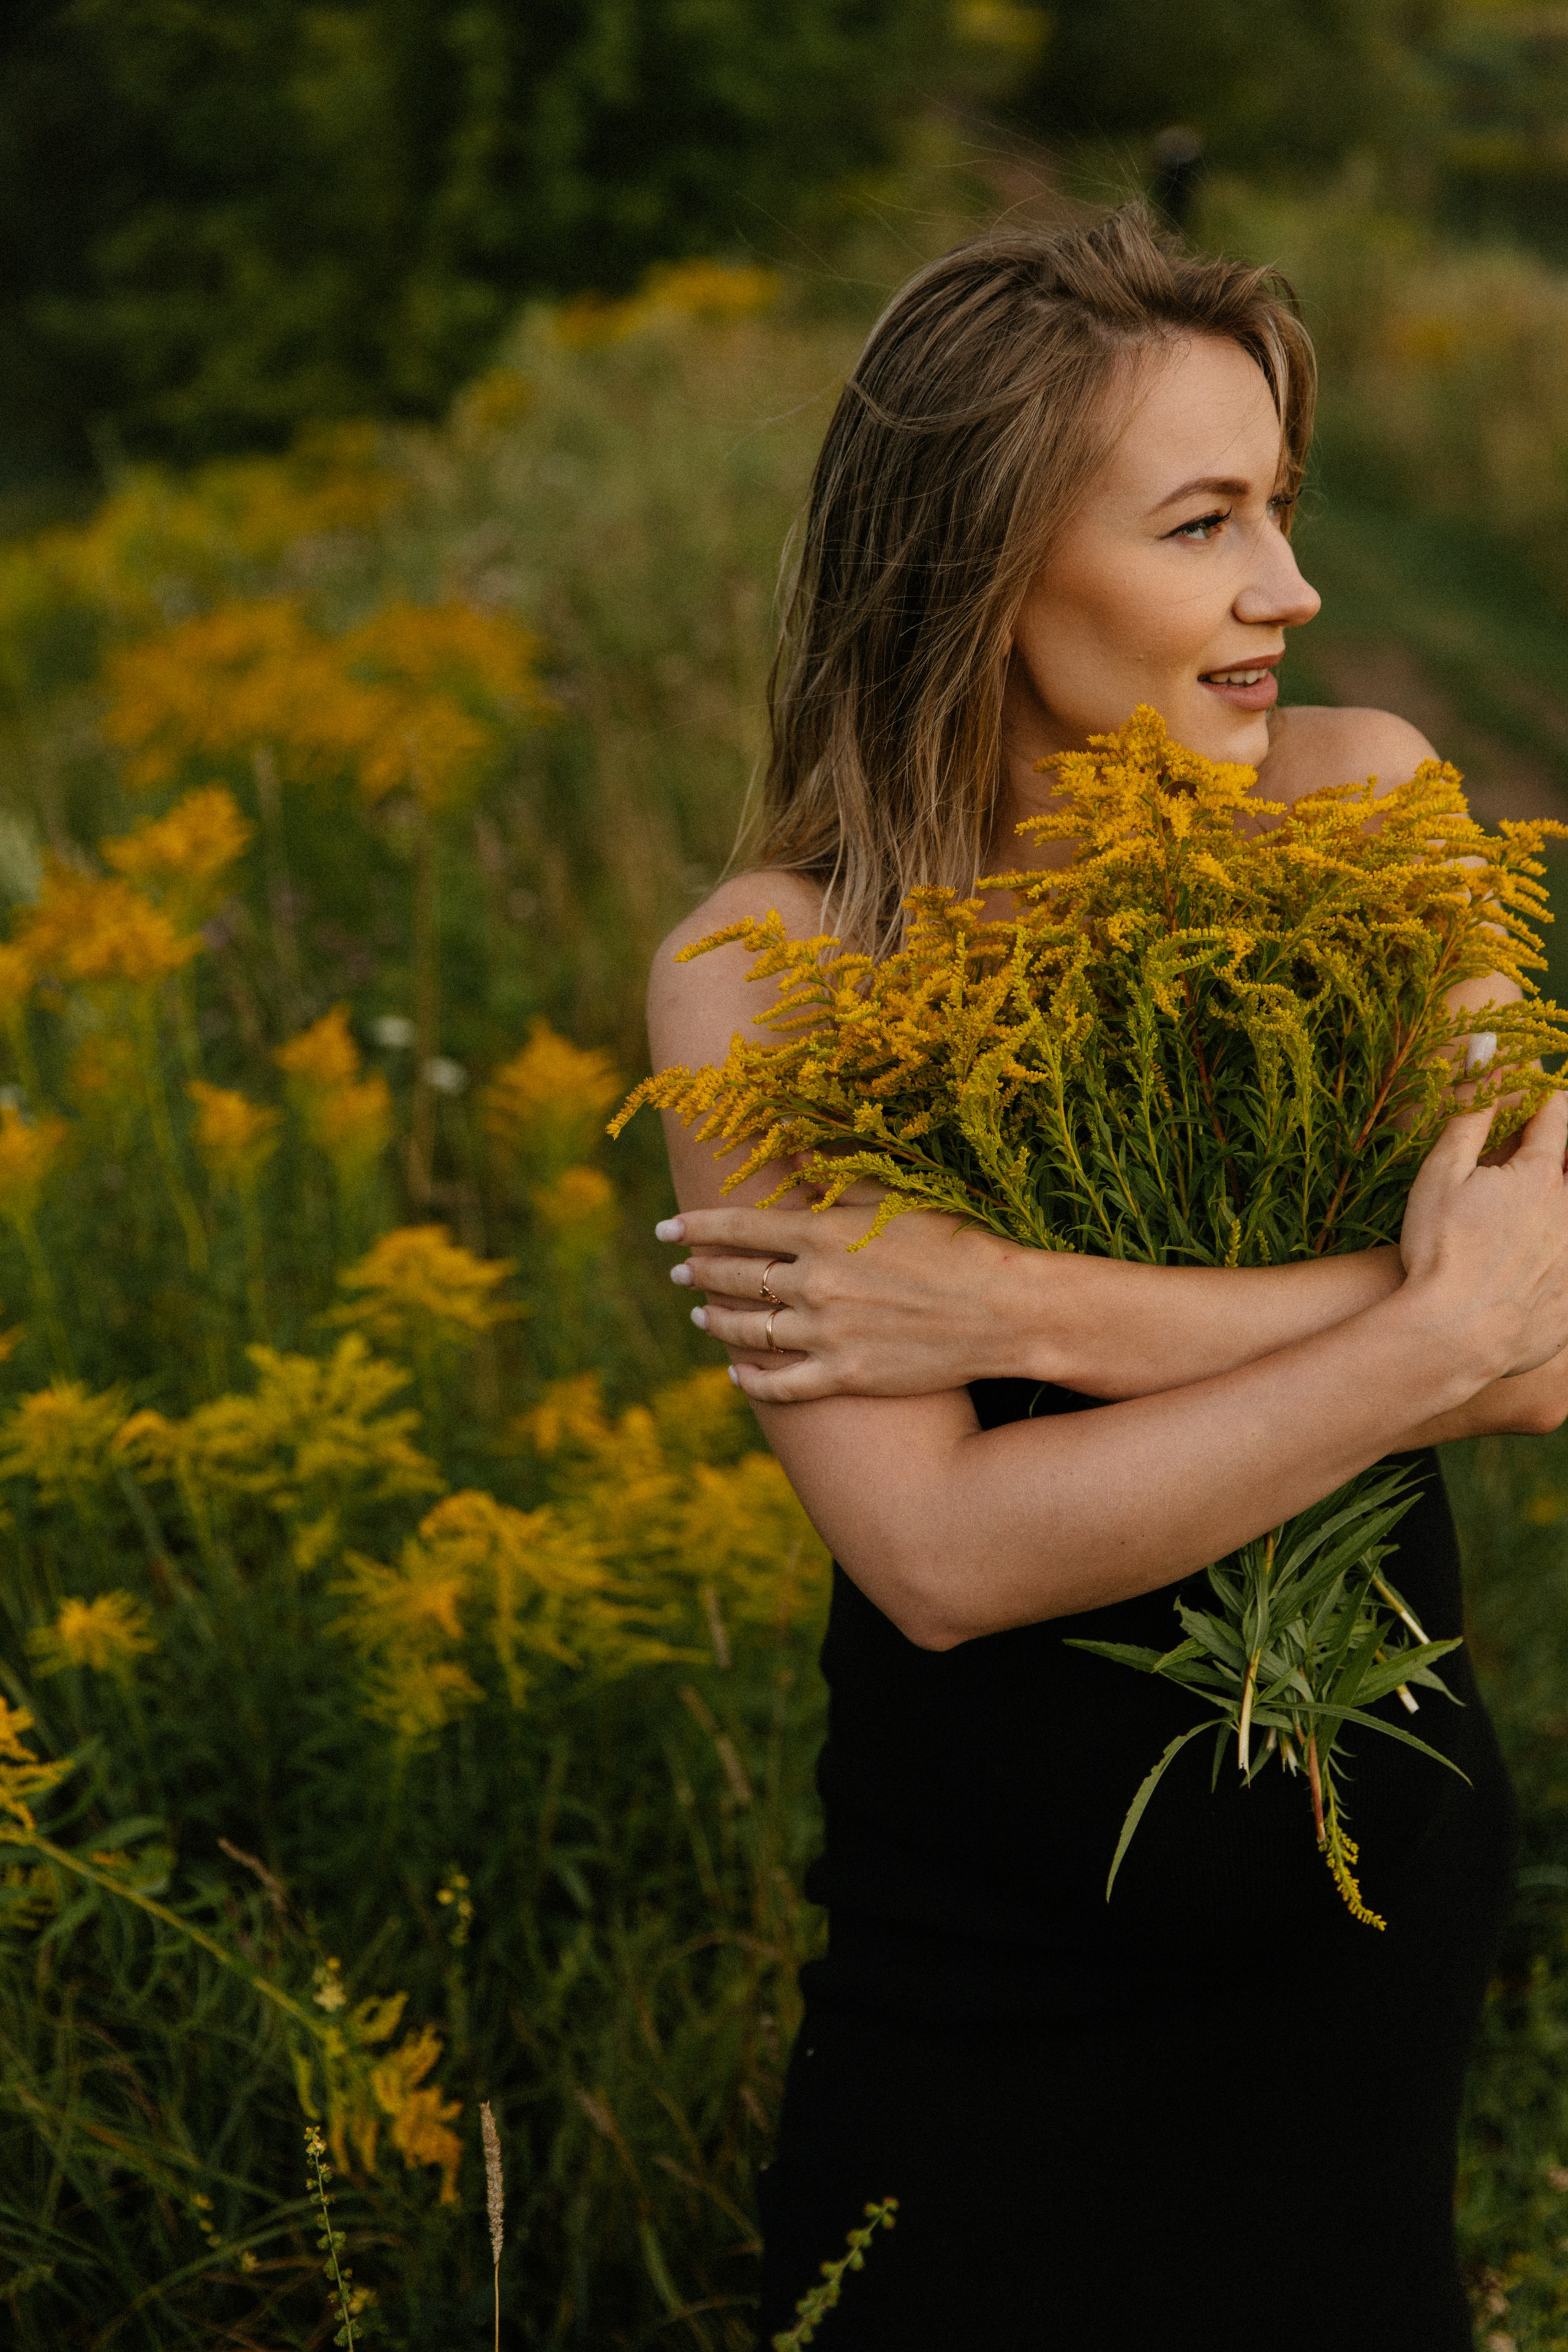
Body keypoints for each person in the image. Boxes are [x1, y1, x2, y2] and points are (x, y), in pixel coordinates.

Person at [644, 209, 1568, 2351]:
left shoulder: (1367, 805)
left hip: (1355, 1922)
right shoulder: (763, 976)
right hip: (981, 1972)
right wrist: (1416, 1320)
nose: (1292, 588)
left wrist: (1019, 1312)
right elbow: (942, 1557)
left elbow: (1534, 1343)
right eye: (1204, 522)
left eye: (1283, 506)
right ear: (983, 566)